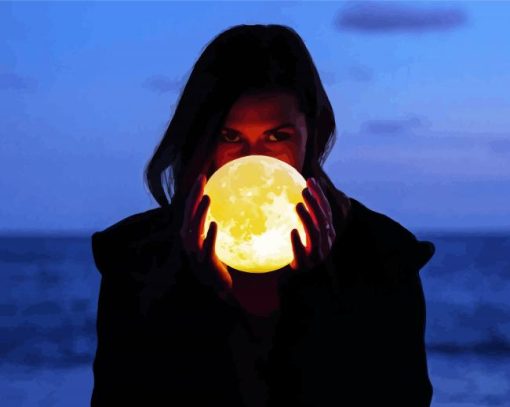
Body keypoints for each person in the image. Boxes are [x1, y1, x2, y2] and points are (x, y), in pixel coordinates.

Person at [90, 24, 435, 406]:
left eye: (277, 137)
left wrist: (313, 296)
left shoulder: (382, 257)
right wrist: (204, 300)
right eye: (229, 137)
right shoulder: (136, 260)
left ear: (313, 136)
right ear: (200, 139)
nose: (253, 163)